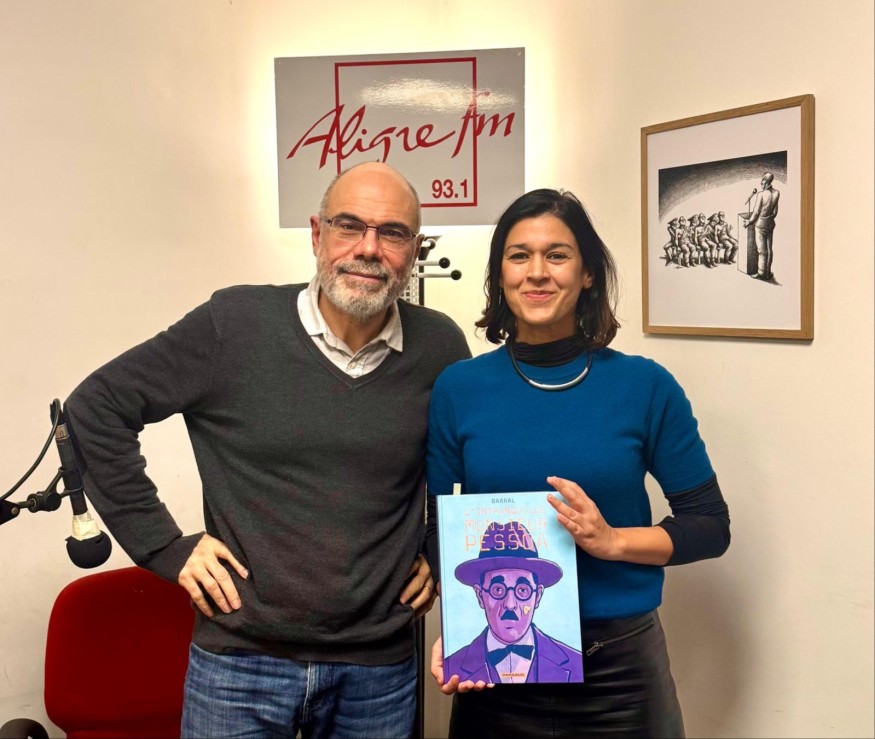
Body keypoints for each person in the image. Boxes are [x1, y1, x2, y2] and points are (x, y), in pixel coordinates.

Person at [63, 161, 471, 738]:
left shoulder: (440, 345)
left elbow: (461, 462)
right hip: (239, 664)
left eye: (393, 233)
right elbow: (95, 408)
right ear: (317, 234)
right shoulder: (234, 325)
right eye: (349, 225)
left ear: (414, 248)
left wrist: (437, 546)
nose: (369, 248)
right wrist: (162, 545)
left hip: (377, 669)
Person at [425, 188, 730, 737]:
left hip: (620, 678)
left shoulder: (645, 387)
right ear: (500, 275)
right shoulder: (458, 388)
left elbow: (710, 526)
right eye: (519, 255)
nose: (537, 272)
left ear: (588, 273)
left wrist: (613, 542)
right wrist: (463, 625)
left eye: (557, 255)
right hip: (496, 683)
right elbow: (437, 529)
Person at [442, 521, 583, 685]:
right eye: (498, 590)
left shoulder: (574, 662)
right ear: (480, 596)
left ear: (537, 596)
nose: (510, 604)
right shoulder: (452, 666)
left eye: (522, 590)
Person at [743, 172, 780, 280]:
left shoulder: (761, 195)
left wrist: (749, 222)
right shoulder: (777, 193)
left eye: (762, 181)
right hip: (770, 224)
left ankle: (762, 273)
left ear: (765, 181)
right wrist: (768, 218)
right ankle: (767, 272)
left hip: (760, 225)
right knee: (769, 249)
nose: (761, 184)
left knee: (762, 251)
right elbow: (775, 212)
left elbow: (756, 212)